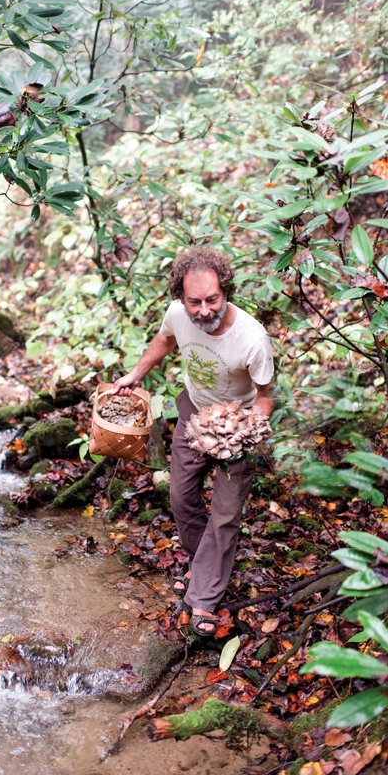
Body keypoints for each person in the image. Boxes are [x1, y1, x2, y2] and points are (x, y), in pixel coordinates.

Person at [112, 245, 274, 636]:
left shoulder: (252, 339)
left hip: (237, 429)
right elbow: (165, 341)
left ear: (226, 291)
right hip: (192, 414)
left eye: (212, 299)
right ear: (181, 297)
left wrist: (245, 431)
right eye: (194, 301)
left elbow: (266, 397)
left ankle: (203, 598)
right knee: (181, 498)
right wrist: (135, 374)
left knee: (225, 514)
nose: (203, 310)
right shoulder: (177, 314)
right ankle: (205, 568)